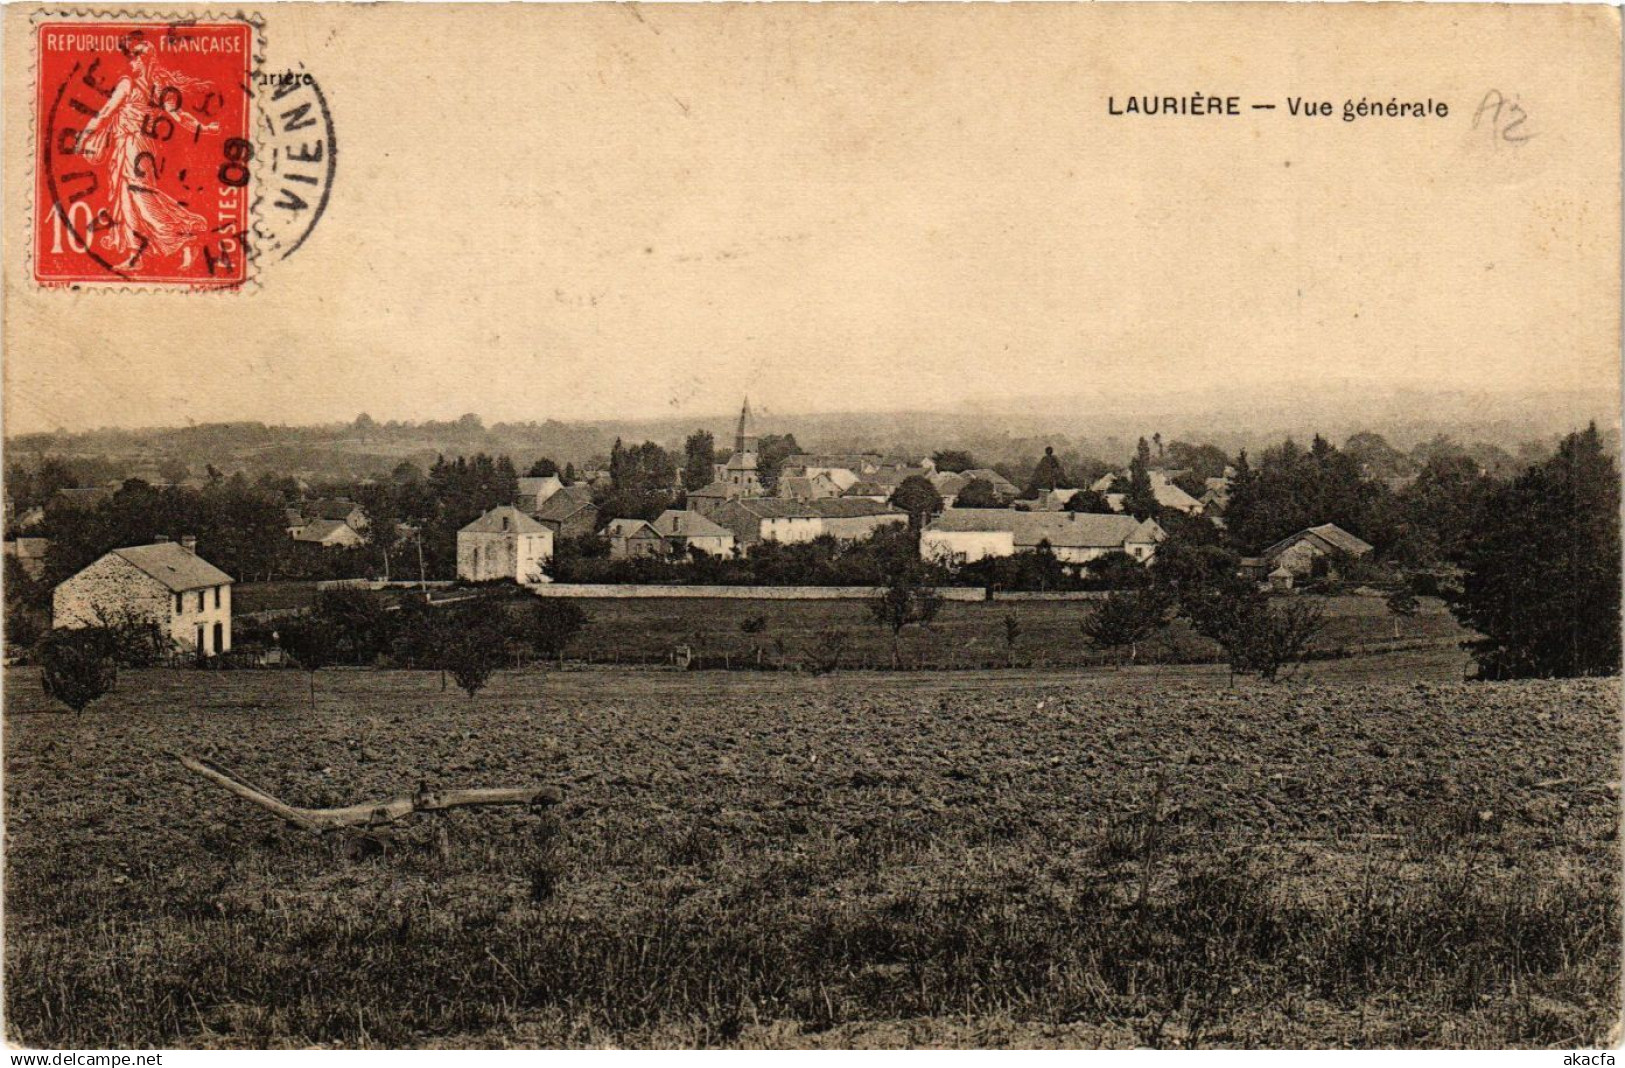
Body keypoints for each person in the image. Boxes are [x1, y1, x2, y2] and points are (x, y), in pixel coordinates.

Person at [76, 32, 219, 262]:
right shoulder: (159, 86)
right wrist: (204, 127)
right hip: (137, 147)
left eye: (134, 58)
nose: (131, 62)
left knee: (140, 198)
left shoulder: (129, 83)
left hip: (133, 144)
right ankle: (136, 255)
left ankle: (183, 235)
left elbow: (105, 113)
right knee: (127, 199)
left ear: (142, 60)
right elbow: (180, 116)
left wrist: (83, 138)